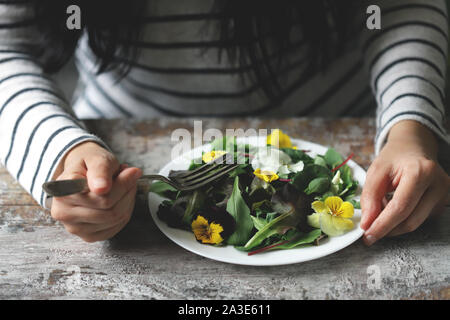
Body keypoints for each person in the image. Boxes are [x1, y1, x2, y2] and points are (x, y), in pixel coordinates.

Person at [0, 0, 448, 245]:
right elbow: (7, 47)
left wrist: (410, 127)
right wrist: (60, 150)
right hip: (121, 115)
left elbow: (396, 7)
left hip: (345, 109)